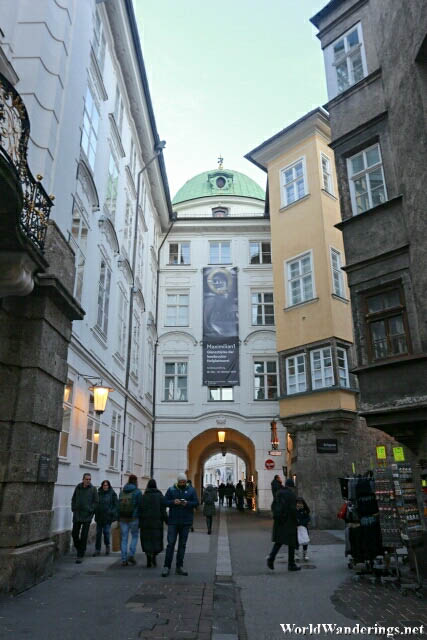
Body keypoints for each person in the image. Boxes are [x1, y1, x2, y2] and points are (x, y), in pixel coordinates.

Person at [162, 473, 199, 577]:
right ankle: (166, 566)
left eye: (184, 481)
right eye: (180, 482)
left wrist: (187, 503)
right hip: (173, 521)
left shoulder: (191, 490)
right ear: (178, 482)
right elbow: (164, 502)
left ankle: (179, 566)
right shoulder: (171, 490)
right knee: (170, 544)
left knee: (182, 545)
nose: (182, 483)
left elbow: (196, 502)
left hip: (186, 521)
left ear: (186, 481)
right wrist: (173, 502)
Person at [267, 478, 301, 572]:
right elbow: (293, 509)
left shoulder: (279, 492)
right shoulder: (291, 495)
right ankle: (291, 564)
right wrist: (297, 520)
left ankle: (271, 558)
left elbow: (273, 506)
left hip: (279, 521)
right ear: (291, 486)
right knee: (292, 543)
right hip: (289, 522)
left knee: (279, 541)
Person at [139, 479, 168, 568]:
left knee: (147, 540)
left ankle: (148, 558)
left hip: (146, 523)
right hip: (157, 523)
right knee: (156, 540)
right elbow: (163, 510)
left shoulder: (144, 496)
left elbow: (140, 510)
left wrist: (139, 523)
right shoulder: (160, 496)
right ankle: (154, 557)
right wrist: (166, 520)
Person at [71, 472, 99, 564]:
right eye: (86, 479)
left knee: (84, 535)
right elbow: (74, 498)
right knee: (74, 533)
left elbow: (96, 502)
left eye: (89, 479)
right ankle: (80, 548)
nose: (88, 481)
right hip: (77, 514)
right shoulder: (78, 487)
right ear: (83, 479)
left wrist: (91, 509)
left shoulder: (93, 489)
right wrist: (73, 508)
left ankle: (80, 554)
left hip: (87, 515)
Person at [118, 474, 142, 567]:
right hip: (134, 518)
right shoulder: (137, 492)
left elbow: (118, 504)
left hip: (123, 518)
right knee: (135, 536)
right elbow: (140, 505)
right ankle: (131, 555)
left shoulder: (122, 491)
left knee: (124, 538)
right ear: (136, 481)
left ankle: (124, 559)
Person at [93, 479, 118, 556]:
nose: (105, 486)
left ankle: (107, 546)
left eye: (106, 485)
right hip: (99, 517)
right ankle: (97, 550)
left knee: (106, 533)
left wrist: (111, 512)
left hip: (107, 517)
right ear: (102, 486)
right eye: (104, 485)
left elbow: (116, 505)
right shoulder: (98, 493)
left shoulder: (112, 493)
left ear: (108, 486)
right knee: (98, 534)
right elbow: (95, 503)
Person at [295, 497, 311, 561]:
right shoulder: (294, 510)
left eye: (301, 503)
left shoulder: (305, 510)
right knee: (296, 541)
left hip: (304, 528)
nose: (299, 504)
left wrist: (301, 523)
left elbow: (308, 518)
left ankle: (305, 554)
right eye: (298, 503)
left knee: (305, 541)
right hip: (296, 528)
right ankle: (296, 555)